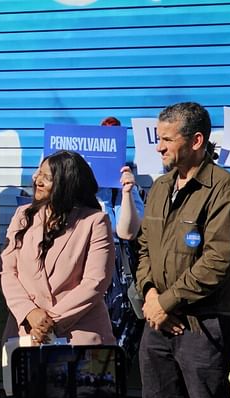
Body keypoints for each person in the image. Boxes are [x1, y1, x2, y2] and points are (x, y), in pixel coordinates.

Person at [136, 102, 230, 398]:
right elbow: (144, 246)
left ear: (196, 141)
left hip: (202, 326)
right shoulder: (160, 187)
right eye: (158, 139)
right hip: (156, 323)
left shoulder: (225, 189)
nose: (159, 148)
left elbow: (218, 261)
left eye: (167, 139)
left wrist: (166, 302)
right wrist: (149, 295)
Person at [0, 150, 116, 346]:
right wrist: (29, 312)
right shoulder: (23, 215)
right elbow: (6, 271)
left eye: (47, 177)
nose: (38, 180)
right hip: (25, 333)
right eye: (38, 174)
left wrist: (50, 321)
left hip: (79, 335)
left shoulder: (95, 221)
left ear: (67, 183)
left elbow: (95, 282)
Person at [96, 116, 146, 359]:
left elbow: (127, 232)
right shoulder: (76, 184)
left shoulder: (124, 185)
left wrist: (126, 193)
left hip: (116, 268)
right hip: (81, 266)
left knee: (119, 340)